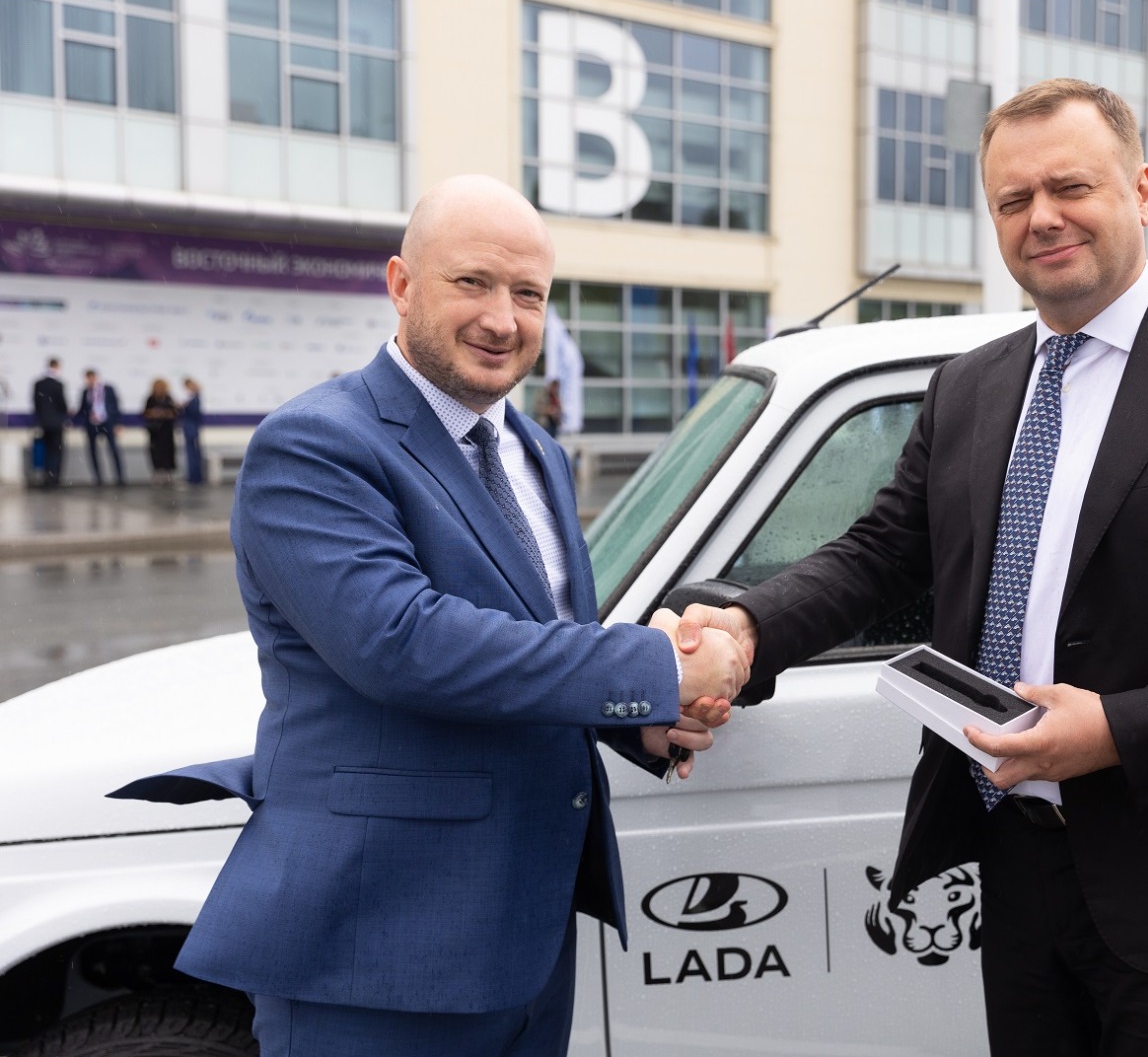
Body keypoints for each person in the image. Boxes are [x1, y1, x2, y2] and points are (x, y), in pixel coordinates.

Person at [676, 79, 1148, 1056]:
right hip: (1013, 865)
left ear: (1139, 190)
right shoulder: (968, 386)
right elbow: (883, 551)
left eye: (1069, 187)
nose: (1041, 217)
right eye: (1013, 199)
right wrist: (750, 627)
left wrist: (1119, 729)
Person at [111, 174, 748, 1057]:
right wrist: (656, 667)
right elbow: (401, 642)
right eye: (472, 283)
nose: (502, 319)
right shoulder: (316, 442)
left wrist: (634, 719)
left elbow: (537, 641)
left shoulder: (535, 452)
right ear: (401, 285)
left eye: (528, 294)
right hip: (375, 941)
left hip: (526, 937)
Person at [76, 368, 125, 486]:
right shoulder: (86, 392)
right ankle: (98, 478)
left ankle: (120, 477)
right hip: (92, 424)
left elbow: (115, 406)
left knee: (113, 450)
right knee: (93, 451)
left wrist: (117, 423)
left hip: (107, 423)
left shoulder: (108, 389)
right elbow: (83, 409)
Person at [31, 357, 68, 489]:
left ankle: (47, 479)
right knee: (56, 452)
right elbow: (62, 405)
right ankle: (55, 480)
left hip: (44, 423)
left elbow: (36, 403)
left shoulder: (38, 384)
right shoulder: (58, 384)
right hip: (56, 424)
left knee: (46, 451)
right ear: (56, 367)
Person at [142, 378, 179, 485]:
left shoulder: (168, 398)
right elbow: (145, 413)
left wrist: (164, 413)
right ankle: (158, 474)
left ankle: (168, 475)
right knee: (155, 452)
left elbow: (174, 413)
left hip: (166, 430)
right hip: (155, 431)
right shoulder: (151, 399)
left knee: (167, 452)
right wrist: (153, 413)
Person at [179, 376, 205, 485]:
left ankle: (194, 478)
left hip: (191, 429)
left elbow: (193, 413)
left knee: (192, 453)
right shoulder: (193, 398)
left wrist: (183, 407)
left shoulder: (194, 399)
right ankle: (193, 477)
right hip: (191, 428)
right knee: (192, 453)